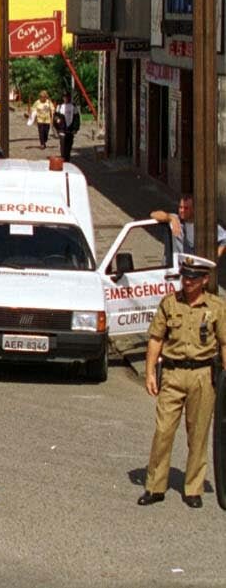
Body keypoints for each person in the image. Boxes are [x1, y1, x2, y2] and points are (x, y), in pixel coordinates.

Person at [137, 254, 226, 508]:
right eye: (185, 277)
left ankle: (193, 488)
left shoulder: (216, 307)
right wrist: (150, 372)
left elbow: (224, 343)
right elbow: (156, 338)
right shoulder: (169, 304)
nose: (187, 282)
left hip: (202, 375)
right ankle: (155, 486)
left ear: (204, 280)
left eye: (193, 278)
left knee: (198, 433)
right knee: (163, 431)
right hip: (173, 373)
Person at [150, 194, 226, 261]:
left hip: (193, 269)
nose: (182, 211)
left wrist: (216, 255)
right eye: (180, 207)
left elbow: (224, 239)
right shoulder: (175, 219)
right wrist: (171, 218)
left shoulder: (204, 225)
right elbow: (154, 214)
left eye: (186, 208)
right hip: (172, 269)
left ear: (194, 210)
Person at [52, 95, 80, 162]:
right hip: (62, 129)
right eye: (65, 97)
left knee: (69, 144)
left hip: (70, 129)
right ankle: (63, 158)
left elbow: (76, 118)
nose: (66, 99)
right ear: (63, 98)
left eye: (67, 97)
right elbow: (55, 117)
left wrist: (75, 128)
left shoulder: (73, 106)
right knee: (63, 144)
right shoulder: (60, 106)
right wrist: (57, 127)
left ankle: (67, 158)